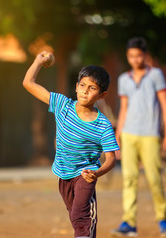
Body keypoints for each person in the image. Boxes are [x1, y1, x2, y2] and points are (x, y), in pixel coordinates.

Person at [23, 51, 120, 238]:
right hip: (63, 172)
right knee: (74, 215)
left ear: (102, 95)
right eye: (82, 85)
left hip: (85, 174)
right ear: (76, 87)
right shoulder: (62, 105)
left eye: (92, 88)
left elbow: (111, 159)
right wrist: (38, 61)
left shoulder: (103, 125)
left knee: (80, 216)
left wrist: (96, 173)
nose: (85, 90)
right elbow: (28, 83)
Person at [111, 37, 166, 237]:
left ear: (145, 55)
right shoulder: (123, 79)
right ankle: (129, 223)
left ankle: (163, 221)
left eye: (139, 55)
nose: (135, 59)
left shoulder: (156, 75)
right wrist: (117, 136)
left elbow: (165, 105)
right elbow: (123, 109)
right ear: (127, 56)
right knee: (129, 179)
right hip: (129, 135)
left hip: (150, 134)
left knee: (154, 178)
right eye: (131, 56)